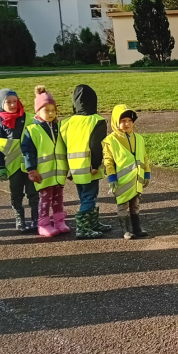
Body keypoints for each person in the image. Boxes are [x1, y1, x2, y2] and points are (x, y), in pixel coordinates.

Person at [59, 84, 111, 239]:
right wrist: (95, 165)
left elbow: (62, 147)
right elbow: (97, 145)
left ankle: (92, 222)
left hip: (74, 169)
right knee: (90, 196)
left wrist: (66, 168)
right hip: (89, 167)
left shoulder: (66, 122)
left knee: (84, 196)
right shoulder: (97, 121)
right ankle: (83, 227)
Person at [21, 86, 70, 237]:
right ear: (37, 112)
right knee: (45, 199)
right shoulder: (32, 130)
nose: (50, 113)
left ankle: (59, 221)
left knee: (58, 197)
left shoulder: (59, 127)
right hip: (43, 173)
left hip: (58, 172)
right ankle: (43, 224)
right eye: (46, 110)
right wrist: (32, 169)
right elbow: (28, 151)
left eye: (53, 110)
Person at [0, 89, 39, 232]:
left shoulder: (30, 118)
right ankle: (20, 220)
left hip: (31, 164)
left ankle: (36, 219)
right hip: (13, 165)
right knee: (16, 193)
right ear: (1, 103)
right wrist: (0, 167)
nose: (12, 104)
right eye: (8, 102)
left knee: (33, 193)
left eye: (15, 101)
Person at [102, 104, 150, 240]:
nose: (127, 123)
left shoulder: (139, 138)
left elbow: (144, 157)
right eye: (123, 121)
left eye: (129, 120)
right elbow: (108, 161)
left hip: (137, 179)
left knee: (135, 204)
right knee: (123, 205)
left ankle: (137, 228)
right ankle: (126, 230)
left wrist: (147, 173)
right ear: (116, 122)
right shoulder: (110, 141)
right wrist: (111, 179)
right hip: (121, 181)